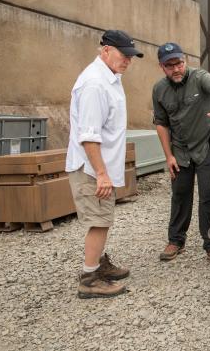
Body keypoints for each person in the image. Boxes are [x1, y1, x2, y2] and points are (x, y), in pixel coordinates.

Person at [66, 29, 143, 298]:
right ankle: (89, 279)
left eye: (131, 57)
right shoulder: (94, 84)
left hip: (100, 167)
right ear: (106, 50)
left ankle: (98, 264)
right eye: (124, 55)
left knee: (103, 218)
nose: (128, 61)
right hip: (91, 168)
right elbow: (89, 135)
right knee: (99, 221)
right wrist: (101, 173)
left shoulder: (109, 76)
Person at [152, 42, 210, 266]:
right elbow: (161, 124)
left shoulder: (200, 77)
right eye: (170, 65)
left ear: (185, 60)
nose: (176, 68)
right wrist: (168, 156)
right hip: (180, 149)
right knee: (180, 194)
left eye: (179, 63)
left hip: (208, 145)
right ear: (161, 67)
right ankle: (176, 240)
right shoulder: (159, 89)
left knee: (209, 194)